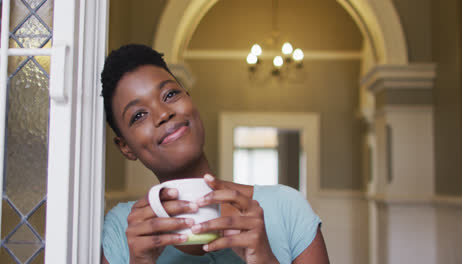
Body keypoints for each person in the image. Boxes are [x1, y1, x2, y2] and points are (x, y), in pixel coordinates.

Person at [100, 44, 329, 264]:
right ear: (125, 147)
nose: (163, 114)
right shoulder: (123, 230)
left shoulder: (287, 208)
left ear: (190, 99)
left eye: (170, 95)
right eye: (138, 115)